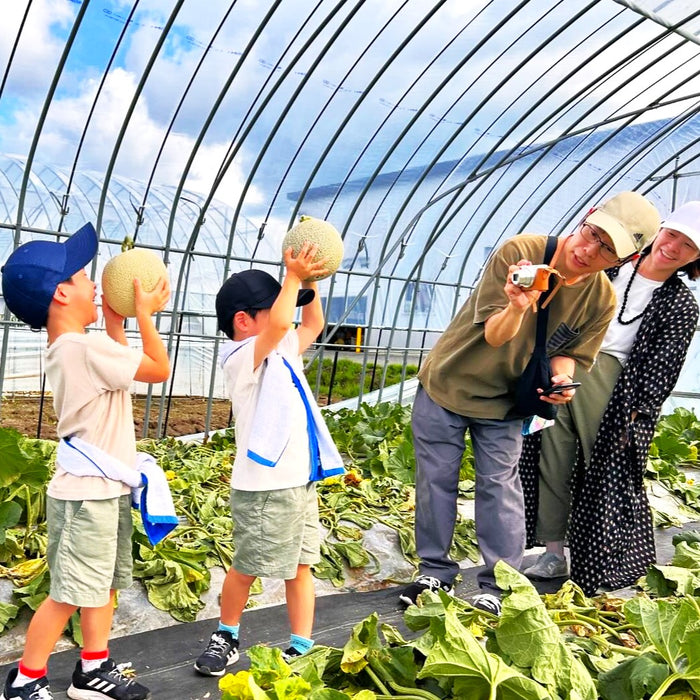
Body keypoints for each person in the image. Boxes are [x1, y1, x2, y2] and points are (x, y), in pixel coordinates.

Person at [398, 191, 662, 615]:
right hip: (448, 385)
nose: (588, 250)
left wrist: (562, 380)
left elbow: (569, 354)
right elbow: (495, 334)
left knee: (499, 489)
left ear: (623, 261)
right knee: (435, 483)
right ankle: (434, 573)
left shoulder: (601, 300)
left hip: (507, 403)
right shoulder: (522, 253)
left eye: (606, 249)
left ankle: (499, 585)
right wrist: (519, 306)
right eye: (591, 234)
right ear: (586, 216)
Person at [0, 223, 170, 700]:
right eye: (82, 276)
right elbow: (157, 368)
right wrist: (145, 314)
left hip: (101, 491)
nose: (95, 283)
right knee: (70, 592)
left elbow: (118, 359)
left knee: (103, 587)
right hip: (85, 500)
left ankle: (92, 670)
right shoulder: (82, 347)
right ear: (60, 293)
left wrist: (117, 321)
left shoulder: (75, 347)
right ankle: (25, 680)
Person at [521, 201, 700, 595]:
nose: (674, 247)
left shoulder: (681, 305)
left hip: (617, 388)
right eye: (672, 235)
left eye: (689, 246)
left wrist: (636, 415)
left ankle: (595, 565)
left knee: (603, 474)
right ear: (659, 232)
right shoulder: (612, 266)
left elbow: (662, 368)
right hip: (564, 363)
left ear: (696, 258)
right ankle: (553, 553)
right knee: (552, 454)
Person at [194, 244, 344, 677]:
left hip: (299, 481)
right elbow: (281, 324)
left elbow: (312, 320)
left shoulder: (284, 349)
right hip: (264, 486)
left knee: (300, 565)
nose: (287, 317)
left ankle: (301, 646)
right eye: (275, 307)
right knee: (248, 565)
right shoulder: (241, 357)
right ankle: (226, 636)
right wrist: (292, 274)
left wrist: (309, 277)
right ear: (243, 320)